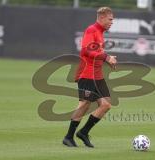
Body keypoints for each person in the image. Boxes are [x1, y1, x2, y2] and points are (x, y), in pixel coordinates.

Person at [63, 6, 117, 148]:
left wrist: (107, 59)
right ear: (102, 17)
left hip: (97, 75)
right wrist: (106, 57)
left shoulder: (100, 32)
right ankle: (68, 137)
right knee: (84, 104)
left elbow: (96, 52)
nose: (112, 22)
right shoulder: (92, 30)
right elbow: (86, 51)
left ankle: (84, 132)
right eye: (110, 19)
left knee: (106, 105)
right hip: (87, 74)